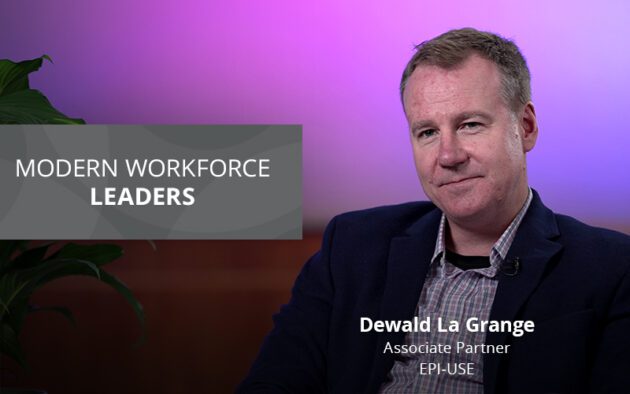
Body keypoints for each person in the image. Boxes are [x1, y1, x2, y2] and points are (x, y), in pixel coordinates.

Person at [238, 28, 630, 394]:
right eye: (427, 132)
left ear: (525, 127)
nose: (448, 156)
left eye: (471, 125)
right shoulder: (350, 247)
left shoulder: (611, 269)